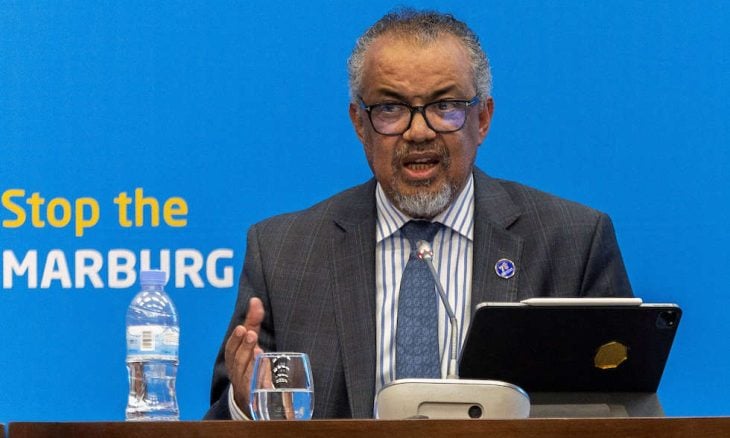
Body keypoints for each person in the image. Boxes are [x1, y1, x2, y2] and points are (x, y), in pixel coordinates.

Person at [204, 8, 633, 420]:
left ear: (482, 119)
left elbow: (622, 412)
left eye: (445, 106)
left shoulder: (572, 243)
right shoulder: (283, 254)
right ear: (359, 124)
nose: (419, 131)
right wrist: (244, 403)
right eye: (390, 109)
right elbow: (225, 417)